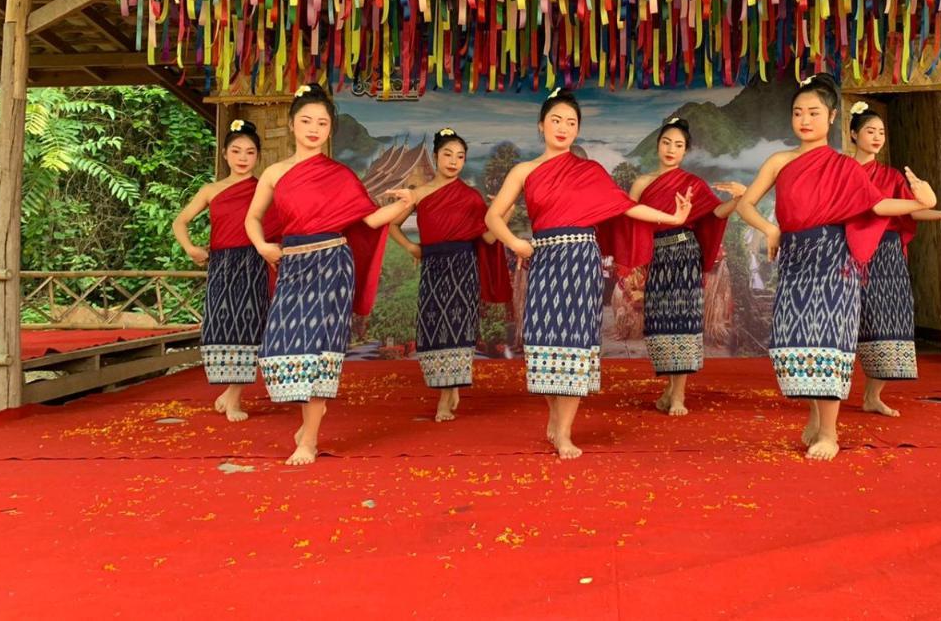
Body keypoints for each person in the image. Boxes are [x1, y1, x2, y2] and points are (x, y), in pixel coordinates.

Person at [735, 74, 937, 461]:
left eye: (813, 112)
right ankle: (814, 417)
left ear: (830, 118)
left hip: (834, 257)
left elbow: (876, 206)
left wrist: (920, 203)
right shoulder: (780, 160)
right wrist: (769, 227)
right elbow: (747, 203)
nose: (804, 120)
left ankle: (829, 432)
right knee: (798, 341)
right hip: (796, 257)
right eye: (798, 112)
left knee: (828, 339)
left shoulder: (845, 166)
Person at [484, 88, 693, 460]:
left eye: (571, 122)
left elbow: (626, 208)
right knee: (544, 343)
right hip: (545, 261)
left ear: (578, 130)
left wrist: (673, 218)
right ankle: (554, 416)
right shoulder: (524, 171)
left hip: (581, 260)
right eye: (556, 120)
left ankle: (564, 432)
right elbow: (492, 217)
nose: (563, 128)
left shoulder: (589, 171)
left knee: (576, 344)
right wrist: (516, 243)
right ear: (541, 125)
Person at [245, 84, 414, 466]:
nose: (313, 128)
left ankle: (310, 439)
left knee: (321, 350)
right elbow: (253, 218)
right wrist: (261, 246)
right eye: (306, 120)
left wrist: (406, 203)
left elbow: (369, 220)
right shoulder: (274, 172)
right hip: (292, 264)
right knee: (282, 346)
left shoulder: (340, 175)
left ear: (329, 129)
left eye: (322, 122)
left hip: (333, 266)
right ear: (292, 125)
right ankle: (307, 426)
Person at [848, 102, 941, 417]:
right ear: (854, 134)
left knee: (886, 322)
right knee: (842, 323)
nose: (877, 137)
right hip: (847, 251)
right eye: (870, 131)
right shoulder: (842, 172)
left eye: (881, 132)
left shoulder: (891, 175)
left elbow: (916, 209)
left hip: (886, 254)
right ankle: (826, 398)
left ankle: (873, 396)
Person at [389, 127, 513, 422]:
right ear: (435, 157)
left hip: (463, 268)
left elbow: (489, 238)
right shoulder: (418, 194)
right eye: (447, 154)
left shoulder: (470, 197)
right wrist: (411, 247)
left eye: (460, 156)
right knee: (432, 330)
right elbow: (392, 225)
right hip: (432, 267)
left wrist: (504, 210)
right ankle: (449, 387)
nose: (454, 161)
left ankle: (445, 399)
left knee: (457, 329)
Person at [628, 116, 745, 416]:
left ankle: (678, 395)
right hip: (657, 259)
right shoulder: (642, 182)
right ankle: (669, 388)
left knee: (682, 321)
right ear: (657, 145)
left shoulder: (692, 184)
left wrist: (738, 199)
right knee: (660, 323)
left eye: (678, 145)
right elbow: (629, 217)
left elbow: (715, 213)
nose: (671, 149)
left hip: (684, 256)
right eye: (666, 142)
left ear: (685, 151)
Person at [172, 120, 278, 422]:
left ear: (258, 156)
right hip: (221, 264)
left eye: (249, 152)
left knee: (251, 328)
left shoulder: (264, 189)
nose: (243, 158)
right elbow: (179, 222)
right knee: (222, 327)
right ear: (225, 154)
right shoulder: (211, 190)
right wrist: (191, 248)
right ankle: (229, 393)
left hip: (254, 263)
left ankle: (233, 398)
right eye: (236, 151)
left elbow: (282, 222)